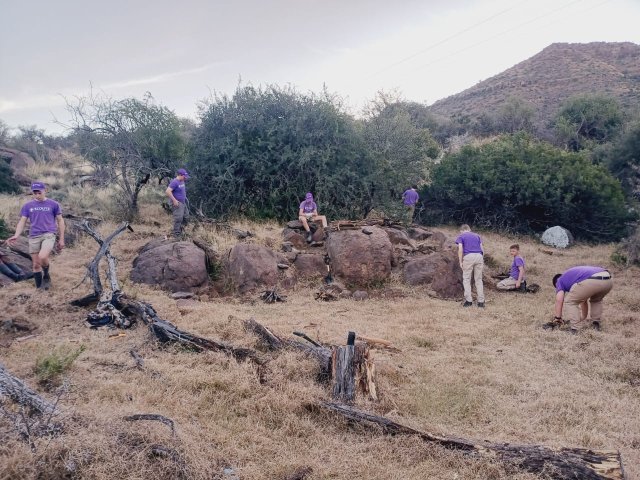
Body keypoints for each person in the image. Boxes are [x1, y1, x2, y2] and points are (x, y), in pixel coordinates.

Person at [6, 182, 65, 290]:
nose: (37, 195)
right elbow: (22, 221)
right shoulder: (27, 206)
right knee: (36, 265)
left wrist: (61, 239)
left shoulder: (53, 204)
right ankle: (39, 289)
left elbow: (60, 221)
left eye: (39, 192)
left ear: (45, 190)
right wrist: (16, 235)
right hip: (34, 236)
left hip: (49, 234)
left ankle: (46, 275)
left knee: (43, 256)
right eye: (35, 193)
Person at [548, 266, 613, 332]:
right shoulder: (573, 277)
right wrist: (583, 317)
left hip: (592, 279)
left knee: (570, 302)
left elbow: (559, 300)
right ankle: (596, 323)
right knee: (596, 300)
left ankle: (575, 328)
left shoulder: (559, 280)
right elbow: (583, 300)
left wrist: (558, 318)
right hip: (608, 279)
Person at [455, 224, 485, 307]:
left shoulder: (461, 236)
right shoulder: (477, 236)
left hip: (468, 257)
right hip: (479, 256)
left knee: (467, 279)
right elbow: (482, 249)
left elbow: (460, 250)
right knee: (478, 279)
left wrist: (460, 261)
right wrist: (482, 258)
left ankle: (469, 301)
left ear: (461, 230)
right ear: (469, 229)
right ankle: (481, 302)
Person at [166, 168, 190, 238]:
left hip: (183, 202)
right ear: (180, 175)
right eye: (184, 176)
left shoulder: (182, 181)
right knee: (178, 218)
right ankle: (176, 234)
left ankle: (181, 230)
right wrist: (174, 200)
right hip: (177, 203)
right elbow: (167, 191)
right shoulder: (174, 182)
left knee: (186, 216)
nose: (185, 178)